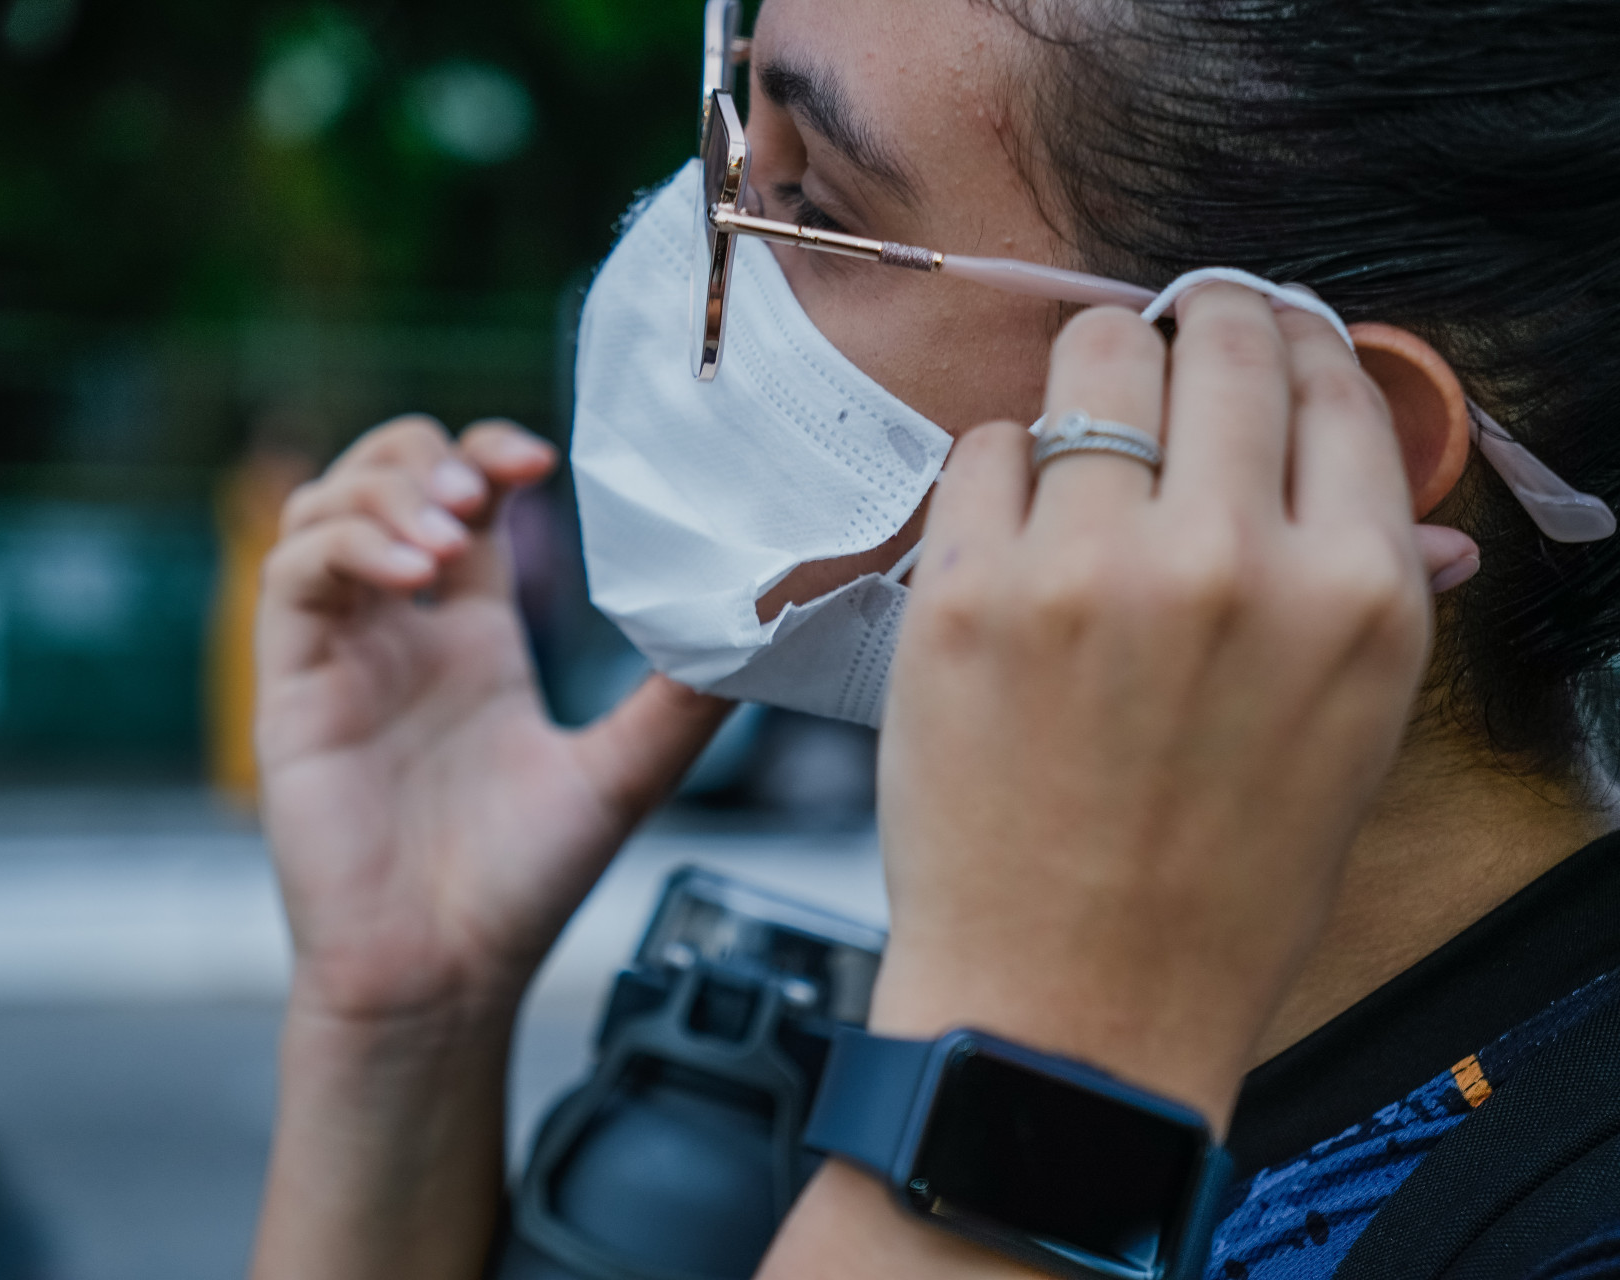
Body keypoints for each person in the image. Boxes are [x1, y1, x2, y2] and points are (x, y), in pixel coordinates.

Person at [243, 0, 1620, 1275]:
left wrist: (1028, 1071)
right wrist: (403, 1027)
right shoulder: (853, 1067)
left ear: (1320, 440)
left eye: (814, 206)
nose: (690, 251)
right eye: (733, 134)